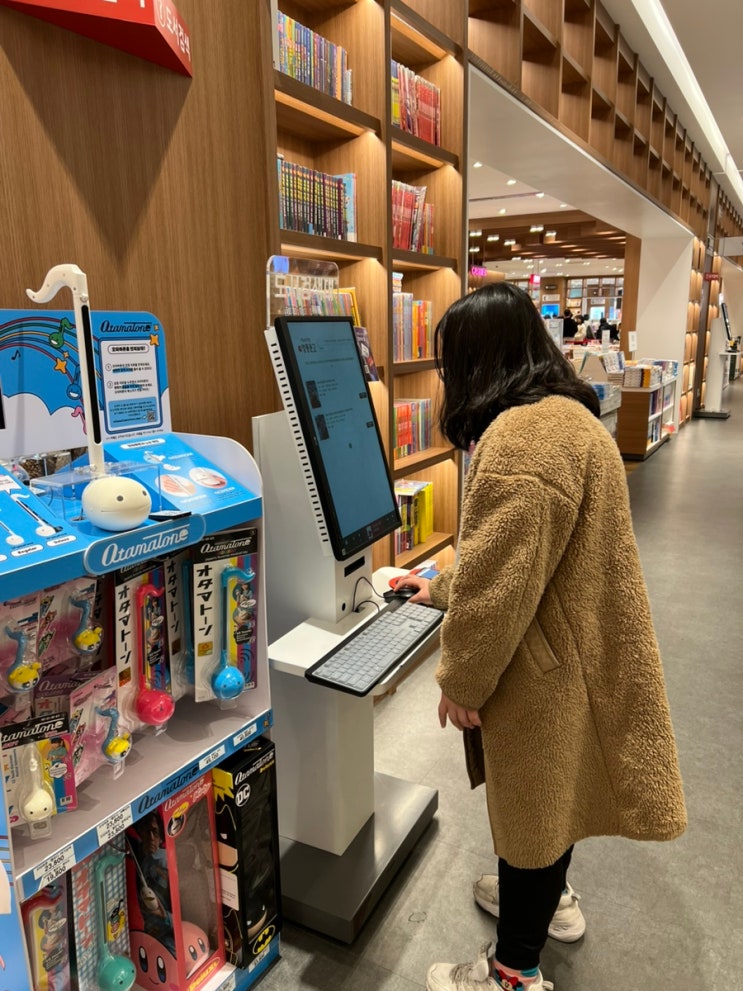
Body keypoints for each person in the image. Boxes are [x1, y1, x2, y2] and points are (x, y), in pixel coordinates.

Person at [400, 283, 687, 991]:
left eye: (451, 363)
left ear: (479, 361)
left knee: (532, 807)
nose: (447, 380)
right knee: (553, 799)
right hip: (579, 652)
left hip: (546, 670)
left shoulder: (521, 439)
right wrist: (441, 585)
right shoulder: (567, 418)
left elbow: (501, 586)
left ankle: (512, 973)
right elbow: (521, 559)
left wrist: (462, 681)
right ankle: (547, 901)